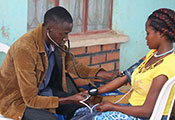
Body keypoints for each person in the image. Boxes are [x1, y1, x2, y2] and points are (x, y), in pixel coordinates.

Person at [0, 6, 117, 120]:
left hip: (43, 92)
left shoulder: (55, 43)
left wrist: (104, 74)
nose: (66, 38)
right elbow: (31, 100)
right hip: (18, 101)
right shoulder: (24, 49)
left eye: (67, 33)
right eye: (63, 34)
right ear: (49, 30)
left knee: (81, 105)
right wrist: (70, 99)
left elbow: (75, 67)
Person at [71, 8, 175, 120]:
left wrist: (113, 107)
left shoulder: (166, 66)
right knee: (81, 112)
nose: (145, 38)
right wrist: (94, 92)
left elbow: (147, 111)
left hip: (144, 116)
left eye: (148, 33)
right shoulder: (152, 55)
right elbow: (125, 76)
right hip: (132, 109)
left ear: (161, 34)